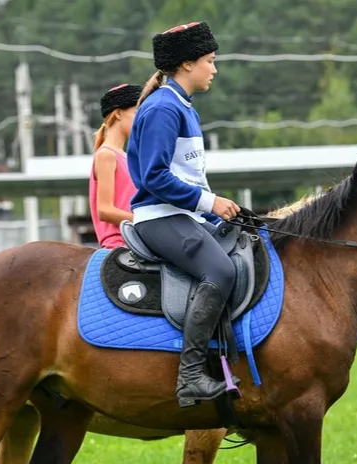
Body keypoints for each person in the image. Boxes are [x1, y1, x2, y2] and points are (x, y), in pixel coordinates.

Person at [126, 21, 241, 407]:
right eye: (210, 61)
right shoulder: (162, 108)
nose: (215, 69)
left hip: (183, 215)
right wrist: (211, 204)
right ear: (188, 64)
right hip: (158, 217)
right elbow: (155, 177)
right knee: (221, 271)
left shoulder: (182, 106)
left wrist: (217, 214)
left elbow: (187, 176)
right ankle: (191, 375)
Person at [89, 83, 143, 249]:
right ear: (118, 113)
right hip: (120, 243)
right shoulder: (106, 155)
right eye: (137, 113)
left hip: (137, 238)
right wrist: (146, 220)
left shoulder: (127, 158)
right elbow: (104, 210)